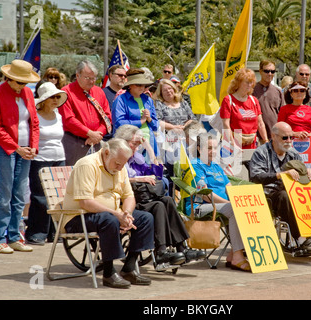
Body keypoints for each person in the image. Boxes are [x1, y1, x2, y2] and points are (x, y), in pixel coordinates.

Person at [62, 138, 154, 289]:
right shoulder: (87, 165)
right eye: (117, 163)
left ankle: (129, 268)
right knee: (108, 219)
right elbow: (85, 202)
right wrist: (116, 215)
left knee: (145, 218)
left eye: (122, 164)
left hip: (110, 215)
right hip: (77, 217)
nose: (119, 168)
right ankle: (108, 273)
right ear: (106, 153)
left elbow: (129, 196)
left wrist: (126, 214)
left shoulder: (120, 166)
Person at [114, 124, 205, 265]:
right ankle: (161, 251)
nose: (137, 148)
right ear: (123, 142)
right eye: (134, 144)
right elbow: (118, 178)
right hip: (126, 200)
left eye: (139, 144)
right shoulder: (118, 158)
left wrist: (150, 150)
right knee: (158, 206)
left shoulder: (137, 158)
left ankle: (182, 247)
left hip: (143, 197)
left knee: (168, 200)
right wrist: (138, 178)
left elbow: (157, 175)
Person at [0, 59, 40, 254]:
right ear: (9, 79)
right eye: (19, 82)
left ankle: (15, 236)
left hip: (25, 149)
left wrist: (33, 147)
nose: (23, 86)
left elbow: (34, 122)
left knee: (19, 194)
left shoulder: (27, 92)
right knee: (5, 194)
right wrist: (17, 147)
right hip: (5, 149)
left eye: (25, 82)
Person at [249, 122, 311, 254]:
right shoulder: (261, 153)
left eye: (291, 137)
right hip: (269, 194)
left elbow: (302, 174)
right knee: (285, 195)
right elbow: (256, 176)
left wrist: (308, 171)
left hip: (293, 192)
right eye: (285, 138)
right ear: (273, 136)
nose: (289, 141)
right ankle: (301, 239)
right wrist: (279, 175)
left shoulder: (293, 153)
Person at [186, 132, 250, 271]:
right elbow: (205, 195)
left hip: (220, 206)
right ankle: (238, 256)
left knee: (243, 207)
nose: (213, 151)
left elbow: (229, 188)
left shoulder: (216, 167)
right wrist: (228, 204)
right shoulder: (196, 166)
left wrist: (238, 201)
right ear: (199, 149)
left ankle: (233, 254)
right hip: (199, 207)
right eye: (209, 148)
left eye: (215, 148)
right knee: (234, 209)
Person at [25, 82, 67, 245]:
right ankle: (37, 233)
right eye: (52, 97)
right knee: (40, 198)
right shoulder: (34, 115)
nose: (56, 100)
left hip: (59, 158)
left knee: (58, 197)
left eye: (58, 97)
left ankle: (54, 232)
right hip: (40, 159)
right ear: (43, 99)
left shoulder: (59, 116)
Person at [59, 60, 112, 166]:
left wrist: (98, 134)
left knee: (95, 175)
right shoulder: (66, 92)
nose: (91, 81)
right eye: (87, 78)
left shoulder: (99, 92)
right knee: (75, 174)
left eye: (94, 78)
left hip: (96, 141)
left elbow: (107, 116)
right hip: (74, 141)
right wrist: (89, 133)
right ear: (77, 75)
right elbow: (68, 119)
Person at [154, 78, 196, 177]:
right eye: (165, 90)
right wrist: (173, 127)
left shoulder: (183, 102)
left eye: (170, 88)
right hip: (169, 140)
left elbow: (193, 118)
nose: (168, 91)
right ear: (161, 93)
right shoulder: (159, 104)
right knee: (174, 169)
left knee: (189, 167)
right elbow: (158, 121)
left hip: (186, 138)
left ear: (174, 89)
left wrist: (184, 128)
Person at [112, 68, 159, 155]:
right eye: (138, 84)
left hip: (150, 144)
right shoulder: (120, 100)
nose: (142, 87)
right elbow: (118, 123)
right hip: (129, 146)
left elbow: (156, 125)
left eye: (144, 85)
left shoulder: (148, 100)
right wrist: (140, 122)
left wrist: (149, 119)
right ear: (130, 85)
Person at [220, 68, 268, 149]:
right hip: (233, 143)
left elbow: (260, 123)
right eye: (247, 82)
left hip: (251, 142)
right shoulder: (228, 100)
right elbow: (226, 125)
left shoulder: (254, 100)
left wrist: (266, 141)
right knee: (234, 161)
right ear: (238, 83)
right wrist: (233, 144)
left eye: (251, 82)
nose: (250, 85)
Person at [252, 60, 285, 138]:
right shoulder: (251, 90)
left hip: (274, 136)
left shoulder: (278, 92)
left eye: (272, 71)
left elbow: (282, 114)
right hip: (256, 136)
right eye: (266, 71)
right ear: (260, 71)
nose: (270, 74)